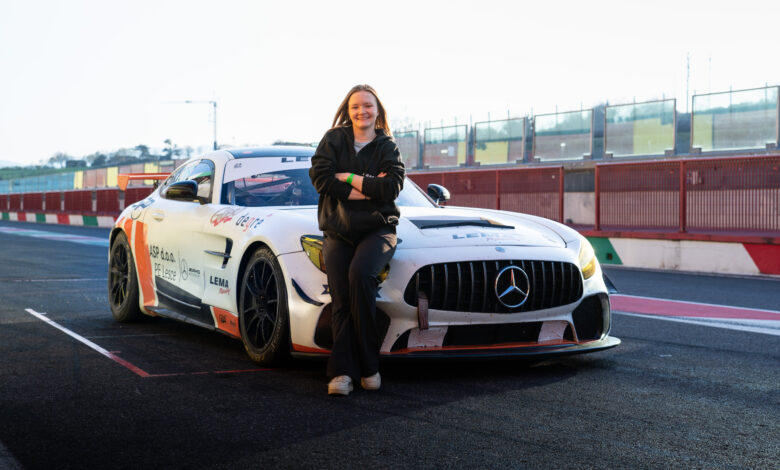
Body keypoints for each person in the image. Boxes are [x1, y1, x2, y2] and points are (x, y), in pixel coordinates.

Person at [309, 84, 405, 396]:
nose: (362, 111)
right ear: (348, 111)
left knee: (361, 276)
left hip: (379, 230)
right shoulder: (333, 139)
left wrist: (348, 177)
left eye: (368, 105)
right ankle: (342, 373)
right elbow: (321, 179)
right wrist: (368, 189)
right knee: (341, 298)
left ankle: (369, 365)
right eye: (355, 106)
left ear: (378, 110)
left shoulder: (387, 146)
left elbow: (391, 188)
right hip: (338, 230)